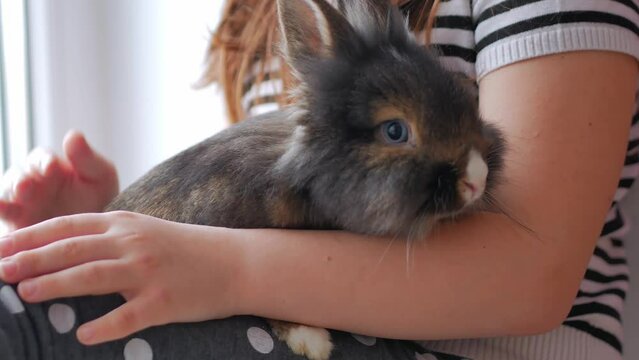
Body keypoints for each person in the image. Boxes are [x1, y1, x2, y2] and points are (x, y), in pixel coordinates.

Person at [0, 0, 637, 359]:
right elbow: (290, 223)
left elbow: (531, 275)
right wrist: (111, 221)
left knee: (17, 323)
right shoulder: (257, 22)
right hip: (308, 331)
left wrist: (221, 267)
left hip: (492, 350)